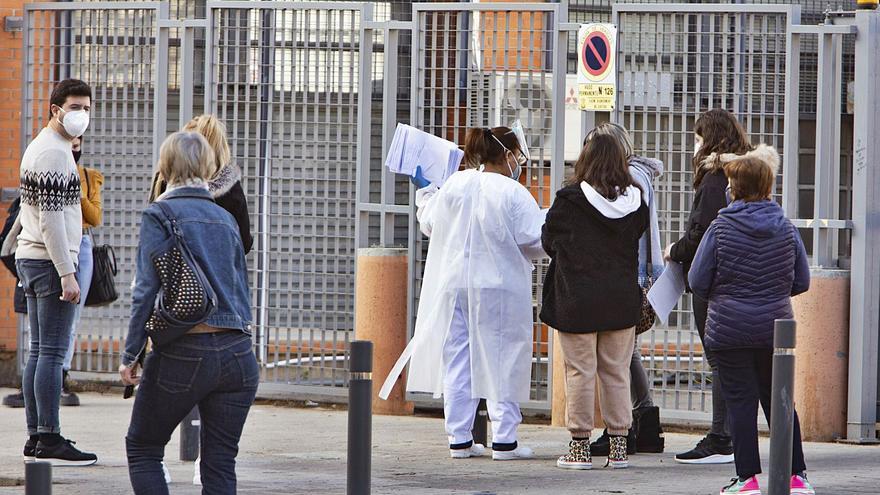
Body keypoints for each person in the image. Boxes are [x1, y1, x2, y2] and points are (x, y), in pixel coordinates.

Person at [384, 125, 546, 461]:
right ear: (508, 155)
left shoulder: (456, 184)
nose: (520, 163)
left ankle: (459, 438)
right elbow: (534, 240)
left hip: (454, 285)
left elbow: (430, 223)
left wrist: (425, 191)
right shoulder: (513, 194)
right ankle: (504, 440)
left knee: (457, 358)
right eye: (519, 156)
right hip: (498, 288)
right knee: (501, 357)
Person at [119, 131, 256, 494]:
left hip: (185, 350)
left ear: (165, 167)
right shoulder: (225, 218)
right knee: (220, 462)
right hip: (238, 356)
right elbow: (241, 291)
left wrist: (131, 353)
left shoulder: (159, 214)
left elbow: (144, 291)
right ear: (208, 166)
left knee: (143, 448)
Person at [688, 150, 815, 495]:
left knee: (741, 404)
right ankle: (797, 477)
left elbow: (697, 280)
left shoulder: (720, 227)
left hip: (729, 330)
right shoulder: (786, 229)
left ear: (735, 188)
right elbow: (802, 281)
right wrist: (772, 291)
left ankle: (747, 480)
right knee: (781, 402)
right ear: (768, 187)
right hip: (775, 330)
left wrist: (727, 292)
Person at [541, 133, 649, 470]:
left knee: (580, 372)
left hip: (578, 301)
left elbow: (549, 241)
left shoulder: (569, 201)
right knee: (616, 372)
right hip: (620, 301)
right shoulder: (637, 203)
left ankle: (579, 447)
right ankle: (618, 447)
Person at [16, 79, 97, 466]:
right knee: (51, 352)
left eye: (87, 107)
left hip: (33, 259)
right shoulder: (52, 153)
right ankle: (48, 435)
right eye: (76, 107)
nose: (82, 114)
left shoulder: (50, 147)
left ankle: (37, 435)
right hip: (49, 263)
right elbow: (51, 219)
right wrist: (68, 272)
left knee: (39, 352)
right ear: (56, 110)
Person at [666, 109, 753, 464]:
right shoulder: (740, 174)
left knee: (720, 360)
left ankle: (721, 439)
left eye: (699, 138)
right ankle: (730, 436)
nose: (694, 144)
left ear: (712, 140)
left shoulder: (714, 179)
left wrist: (674, 250)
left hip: (714, 281)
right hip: (736, 277)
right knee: (733, 361)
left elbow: (703, 233)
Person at [582, 123, 665, 457]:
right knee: (626, 352)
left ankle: (624, 427)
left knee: (616, 354)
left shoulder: (628, 178)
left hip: (625, 273)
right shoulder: (638, 174)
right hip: (634, 272)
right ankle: (644, 420)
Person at [149, 114, 253, 254]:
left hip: (171, 273)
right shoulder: (230, 189)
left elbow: (152, 241)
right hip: (216, 272)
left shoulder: (163, 180)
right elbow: (244, 244)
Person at [60, 135, 104, 407]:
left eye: (77, 146)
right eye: (69, 146)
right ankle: (41, 376)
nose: (73, 151)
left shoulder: (89, 177)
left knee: (73, 315)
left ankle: (62, 374)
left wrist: (76, 189)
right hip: (54, 242)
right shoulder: (47, 170)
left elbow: (95, 218)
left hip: (83, 242)